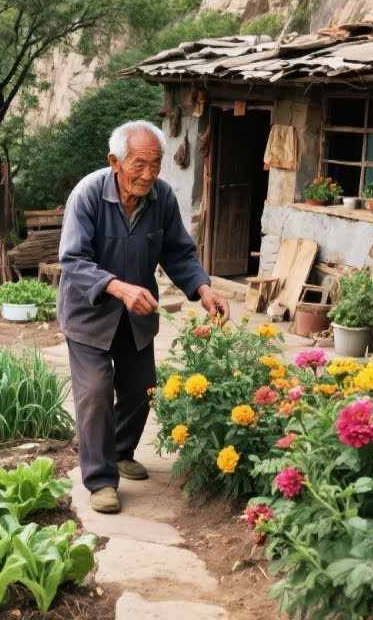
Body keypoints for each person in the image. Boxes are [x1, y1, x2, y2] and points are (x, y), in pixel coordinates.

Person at [57, 120, 230, 514]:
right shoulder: (87, 195)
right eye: (139, 164)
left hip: (136, 315)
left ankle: (119, 451)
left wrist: (203, 289)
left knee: (140, 389)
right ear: (115, 162)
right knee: (96, 392)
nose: (148, 174)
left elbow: (178, 252)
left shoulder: (161, 197)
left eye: (156, 164)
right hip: (90, 314)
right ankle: (100, 479)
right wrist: (118, 287)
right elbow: (73, 259)